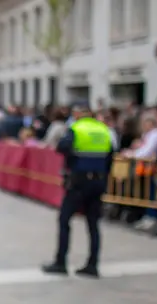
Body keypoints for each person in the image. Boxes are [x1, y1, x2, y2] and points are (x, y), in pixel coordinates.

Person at [42, 105, 113, 278]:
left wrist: (72, 160)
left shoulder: (76, 129)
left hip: (79, 180)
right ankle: (93, 264)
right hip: (98, 180)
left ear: (78, 114)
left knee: (64, 219)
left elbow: (61, 147)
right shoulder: (104, 130)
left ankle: (61, 262)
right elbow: (111, 155)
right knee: (93, 224)